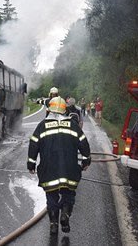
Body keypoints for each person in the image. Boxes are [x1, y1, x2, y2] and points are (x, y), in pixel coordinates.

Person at [27, 96, 91, 236]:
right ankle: (65, 216)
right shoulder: (73, 125)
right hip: (69, 169)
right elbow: (84, 143)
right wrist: (86, 161)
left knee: (51, 196)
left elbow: (33, 144)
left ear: (49, 109)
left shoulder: (42, 125)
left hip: (49, 169)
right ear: (64, 110)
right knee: (68, 194)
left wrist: (31, 163)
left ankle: (53, 225)